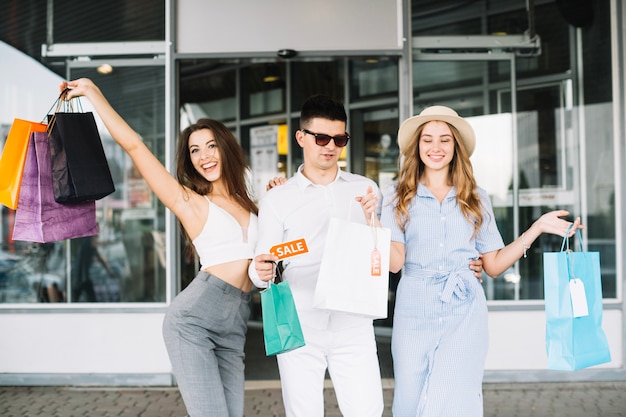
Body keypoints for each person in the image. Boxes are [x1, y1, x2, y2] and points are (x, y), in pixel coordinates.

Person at [250, 96, 484, 417]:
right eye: (321, 138)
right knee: (303, 412)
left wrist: (468, 261)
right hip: (299, 320)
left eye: (339, 139)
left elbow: (393, 247)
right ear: (301, 137)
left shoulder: (366, 189)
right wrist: (260, 271)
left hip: (353, 321)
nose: (330, 146)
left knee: (367, 410)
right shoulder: (277, 198)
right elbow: (260, 263)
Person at [358, 105, 584, 417]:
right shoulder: (397, 195)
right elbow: (395, 263)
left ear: (456, 147)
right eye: (428, 140)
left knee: (454, 402)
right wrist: (373, 221)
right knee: (409, 402)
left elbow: (492, 264)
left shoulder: (476, 196)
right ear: (417, 146)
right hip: (414, 310)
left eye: (444, 140)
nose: (435, 147)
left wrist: (537, 229)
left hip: (464, 312)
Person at [61, 78, 258, 417]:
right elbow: (135, 147)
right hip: (194, 319)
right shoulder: (191, 202)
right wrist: (93, 93)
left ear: (225, 147)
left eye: (210, 146)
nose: (204, 156)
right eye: (195, 150)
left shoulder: (252, 203)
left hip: (238, 316)